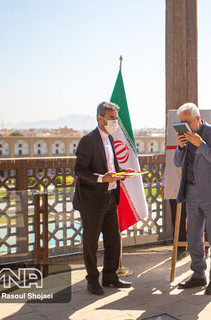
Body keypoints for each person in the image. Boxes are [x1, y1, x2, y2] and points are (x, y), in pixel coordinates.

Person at [73, 101, 134, 295]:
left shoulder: (109, 138)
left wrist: (123, 173)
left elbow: (110, 168)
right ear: (100, 118)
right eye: (111, 119)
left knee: (113, 240)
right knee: (90, 243)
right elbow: (79, 170)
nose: (115, 122)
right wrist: (101, 178)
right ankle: (92, 280)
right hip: (92, 200)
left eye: (116, 119)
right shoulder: (88, 140)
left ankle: (110, 276)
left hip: (110, 197)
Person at [174, 102, 211, 295]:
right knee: (193, 238)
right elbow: (178, 162)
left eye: (186, 122)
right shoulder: (184, 137)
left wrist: (201, 145)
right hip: (191, 193)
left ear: (197, 119)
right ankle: (198, 275)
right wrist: (181, 147)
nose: (184, 126)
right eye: (181, 123)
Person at [160, 169, 188, 261]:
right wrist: (164, 184)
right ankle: (180, 247)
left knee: (199, 217)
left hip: (197, 184)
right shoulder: (175, 153)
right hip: (175, 184)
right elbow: (170, 163)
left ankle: (204, 247)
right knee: (178, 217)